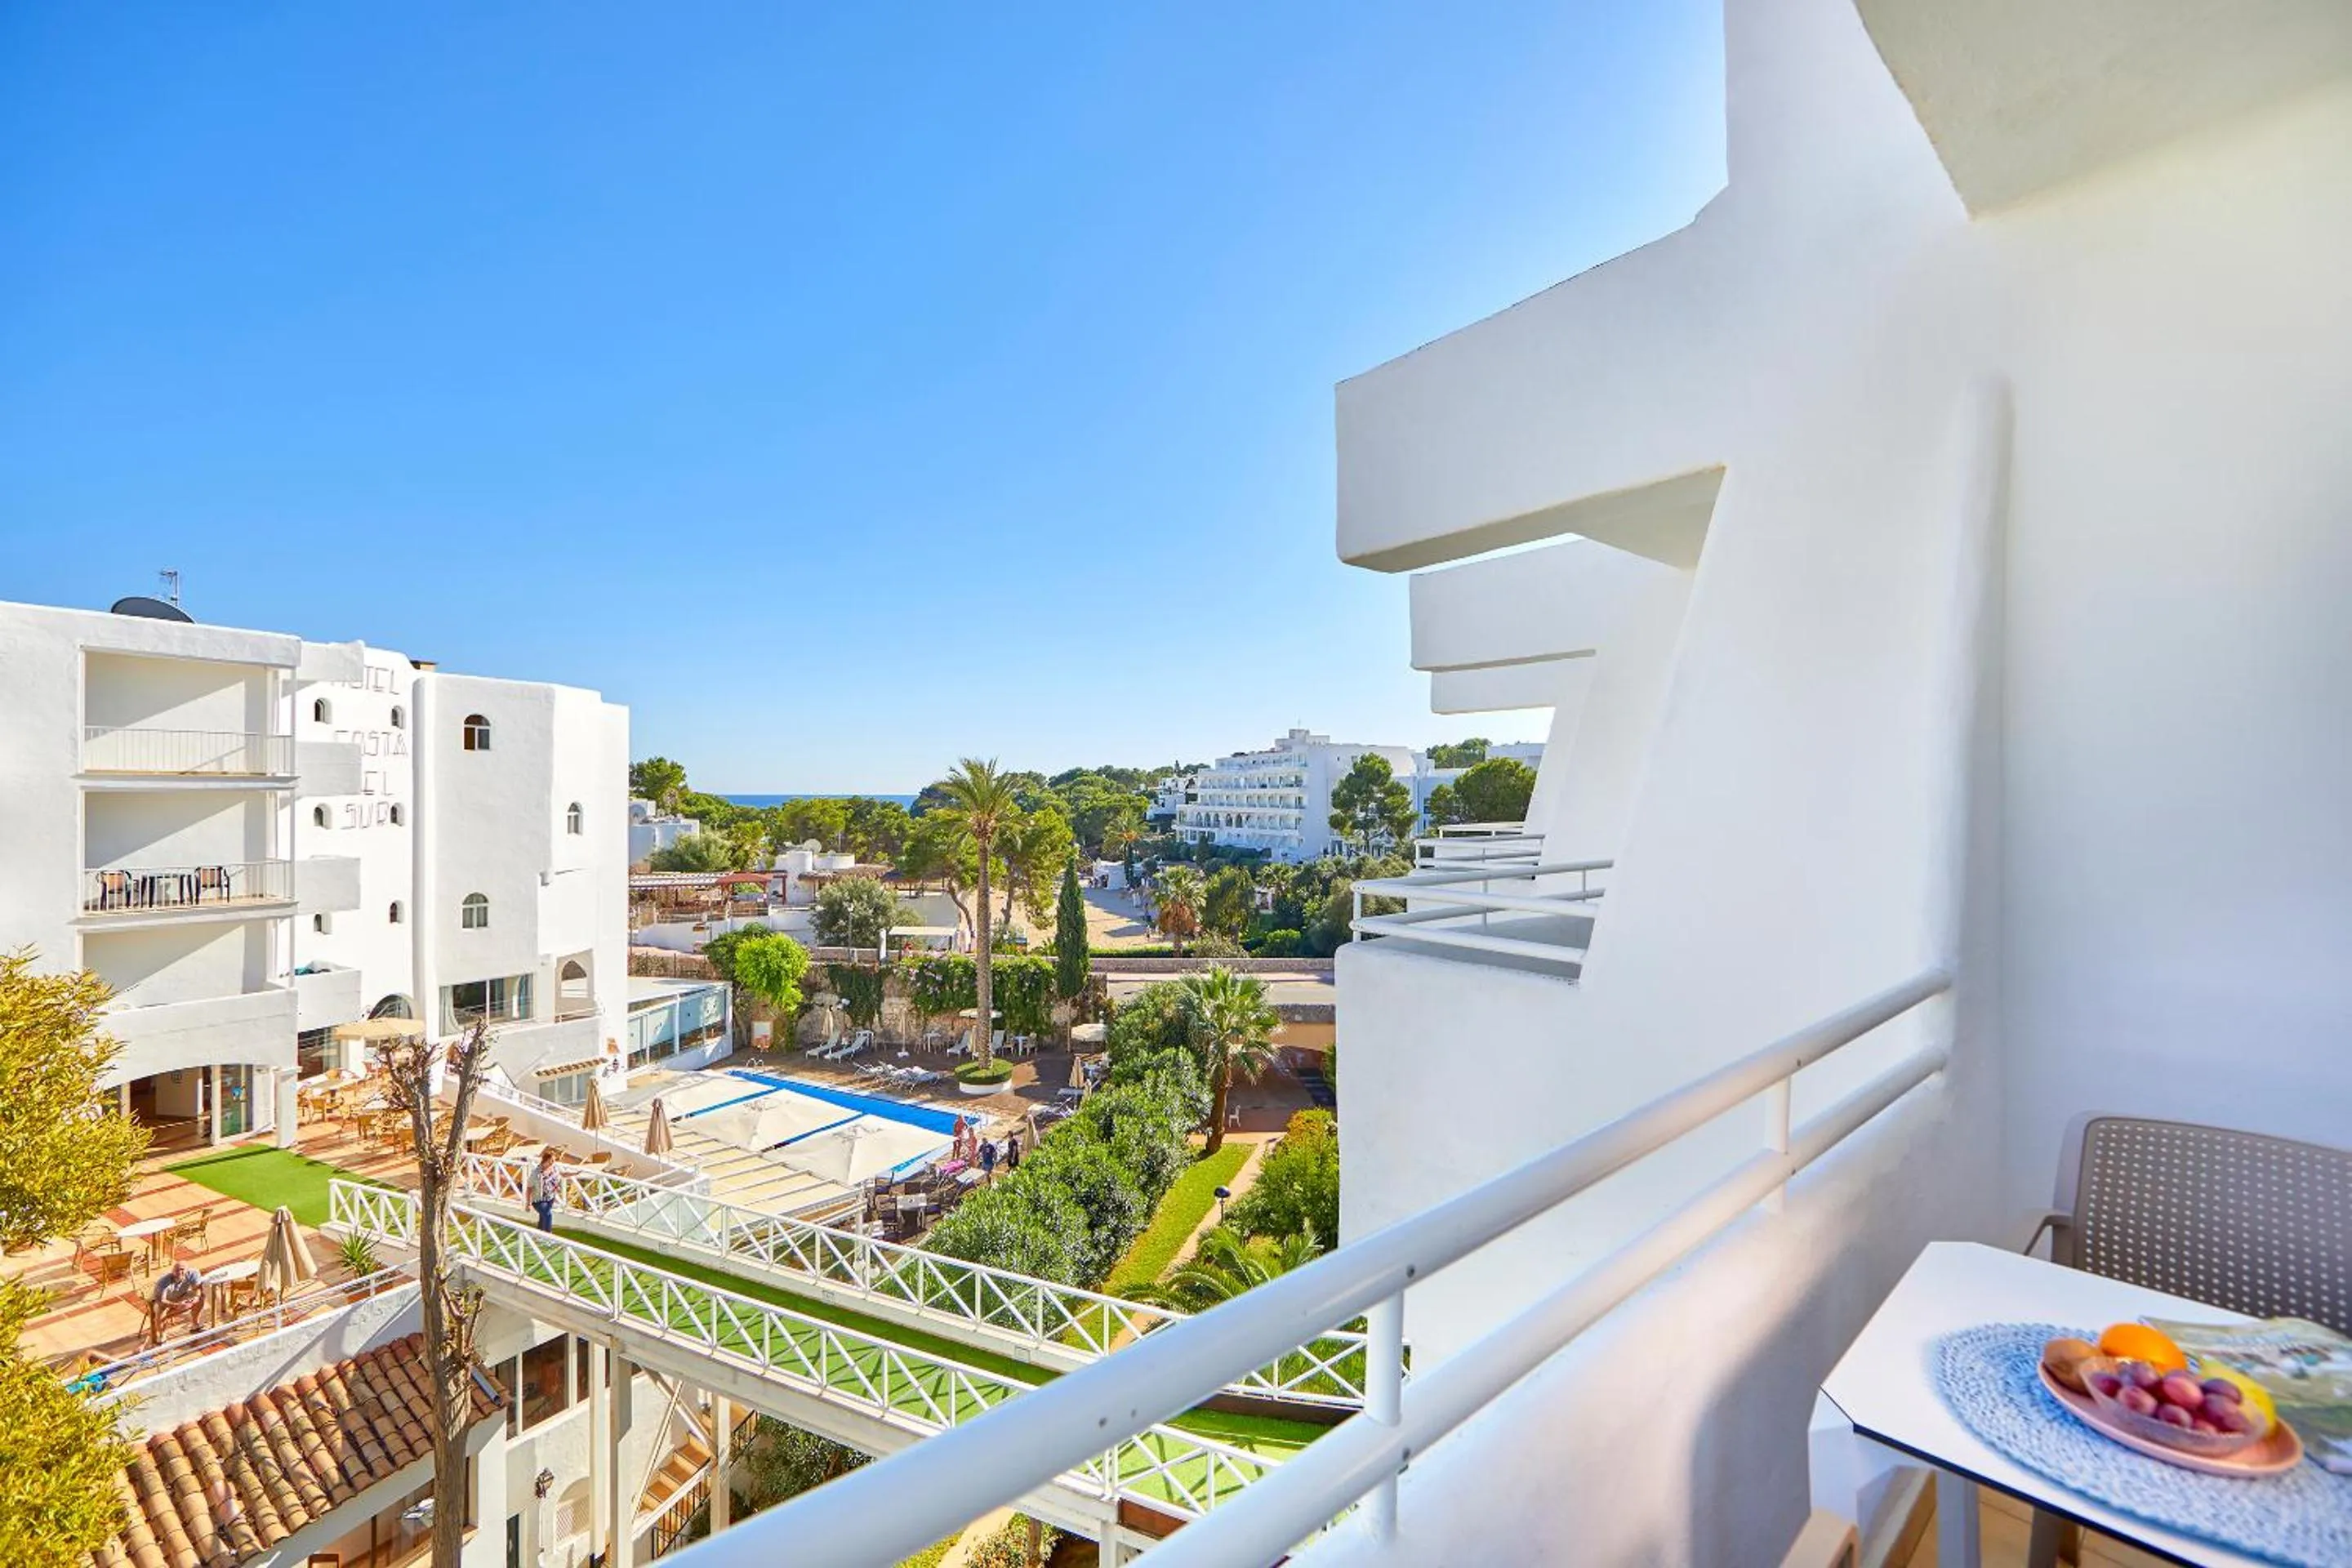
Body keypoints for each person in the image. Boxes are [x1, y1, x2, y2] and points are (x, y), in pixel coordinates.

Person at [151, 1259, 203, 1339]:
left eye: (182, 1270)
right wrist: (177, 1305)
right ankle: (162, 1335)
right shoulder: (163, 1281)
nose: (179, 1272)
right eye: (176, 1270)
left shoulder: (193, 1273)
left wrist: (196, 1297)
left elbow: (197, 1289)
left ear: (187, 1270)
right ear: (172, 1271)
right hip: (164, 1300)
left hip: (181, 1295)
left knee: (201, 1299)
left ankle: (195, 1325)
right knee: (160, 1311)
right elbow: (161, 1301)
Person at [529, 1146, 562, 1232]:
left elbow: (561, 1174)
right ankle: (548, 1234)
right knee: (548, 1215)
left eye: (554, 1160)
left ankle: (539, 1233)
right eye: (552, 1161)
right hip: (538, 1200)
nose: (553, 1162)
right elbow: (529, 1187)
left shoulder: (554, 1168)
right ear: (546, 1160)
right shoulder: (536, 1173)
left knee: (543, 1217)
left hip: (550, 1198)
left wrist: (575, 1173)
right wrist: (528, 1203)